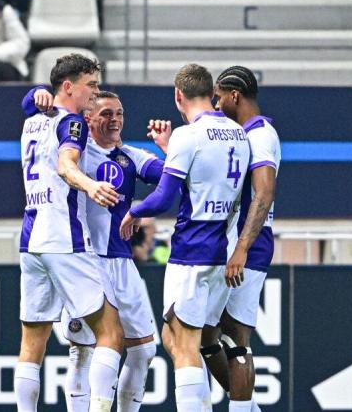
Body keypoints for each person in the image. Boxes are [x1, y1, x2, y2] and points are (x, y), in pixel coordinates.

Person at [21, 87, 164, 412]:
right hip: (83, 258)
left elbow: (172, 179)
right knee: (83, 351)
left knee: (144, 350)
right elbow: (32, 107)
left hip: (122, 262)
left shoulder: (131, 157)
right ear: (88, 118)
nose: (114, 120)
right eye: (105, 114)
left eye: (119, 114)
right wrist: (38, 94)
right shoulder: (76, 151)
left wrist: (140, 209)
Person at [120, 63, 251, 412]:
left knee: (186, 344)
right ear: (211, 94)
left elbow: (164, 197)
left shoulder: (187, 135)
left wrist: (134, 212)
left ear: (178, 95)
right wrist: (169, 149)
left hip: (192, 250)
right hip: (224, 250)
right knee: (173, 338)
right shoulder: (239, 132)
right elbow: (208, 178)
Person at [14, 53, 123, 412]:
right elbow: (66, 165)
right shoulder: (71, 123)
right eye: (90, 86)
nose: (95, 94)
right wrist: (90, 186)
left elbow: (29, 101)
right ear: (67, 87)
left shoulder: (33, 120)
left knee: (32, 343)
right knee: (110, 334)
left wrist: (34, 95)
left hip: (31, 239)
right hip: (65, 237)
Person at [190, 66, 278, 412]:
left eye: (219, 97)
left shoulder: (260, 136)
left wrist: (241, 248)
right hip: (232, 245)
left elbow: (264, 193)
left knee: (237, 340)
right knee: (207, 336)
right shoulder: (242, 134)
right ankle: (248, 408)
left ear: (235, 96)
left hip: (249, 246)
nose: (215, 104)